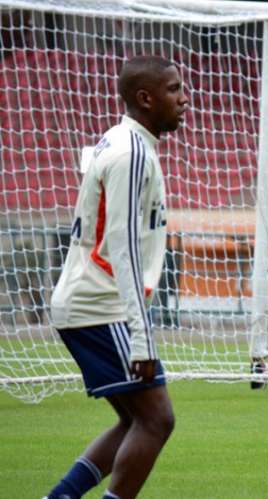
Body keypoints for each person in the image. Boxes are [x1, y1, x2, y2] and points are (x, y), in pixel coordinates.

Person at [46, 55, 189, 499]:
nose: (185, 98)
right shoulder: (130, 153)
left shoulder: (123, 141)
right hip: (99, 303)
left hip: (88, 300)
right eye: (173, 89)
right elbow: (123, 245)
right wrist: (141, 335)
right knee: (156, 420)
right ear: (145, 98)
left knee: (135, 419)